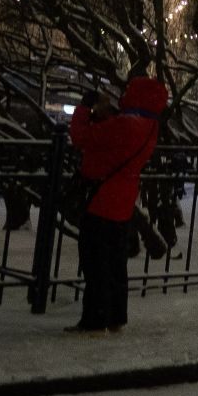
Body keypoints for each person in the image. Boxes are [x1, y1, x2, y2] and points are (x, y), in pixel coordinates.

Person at [66, 75, 168, 335]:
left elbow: (81, 137)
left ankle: (94, 321)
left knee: (95, 262)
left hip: (101, 200)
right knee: (115, 264)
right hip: (122, 202)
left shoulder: (126, 125)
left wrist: (84, 108)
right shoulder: (148, 127)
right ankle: (115, 317)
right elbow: (115, 141)